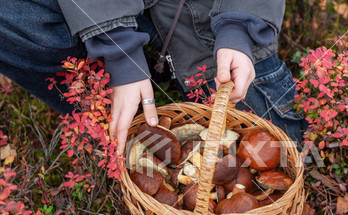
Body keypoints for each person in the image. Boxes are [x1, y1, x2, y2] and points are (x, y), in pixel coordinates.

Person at [0, 0, 307, 155]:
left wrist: (240, 27)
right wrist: (117, 45)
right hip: (107, 14)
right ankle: (113, 114)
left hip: (207, 23)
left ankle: (144, 108)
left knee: (284, 152)